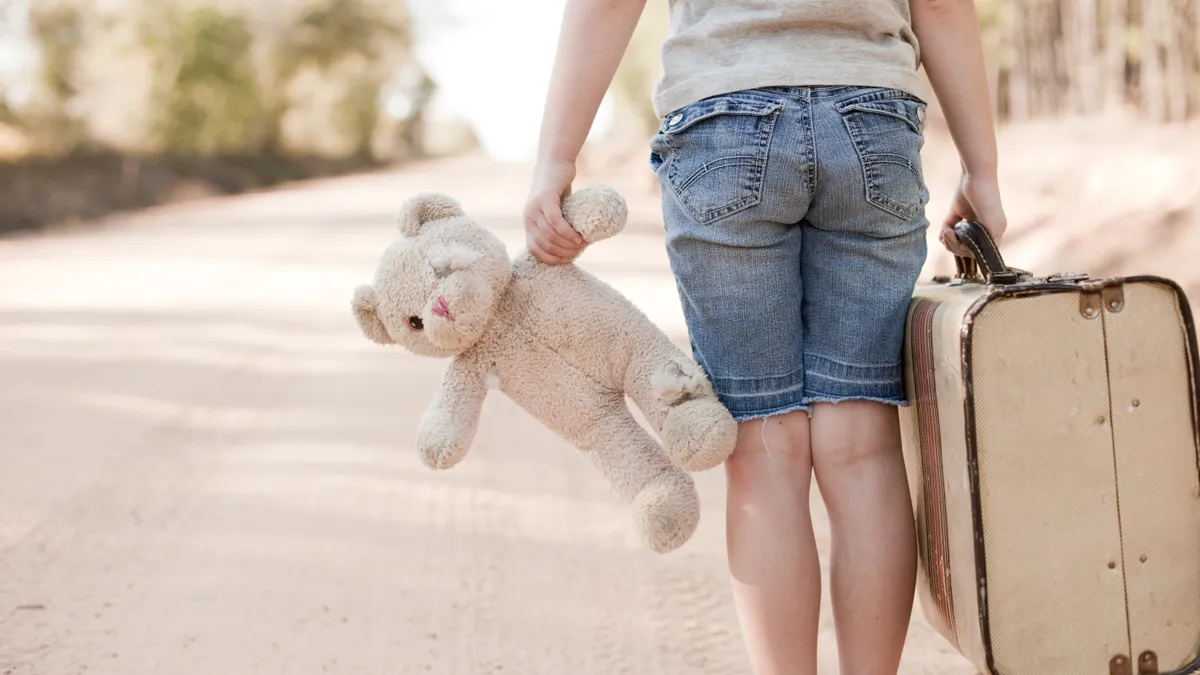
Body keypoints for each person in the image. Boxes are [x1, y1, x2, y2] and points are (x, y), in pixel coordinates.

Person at [523, 0, 1008, 673]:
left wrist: (556, 158)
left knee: (762, 450)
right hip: (871, 119)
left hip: (723, 118)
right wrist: (980, 170)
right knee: (862, 447)